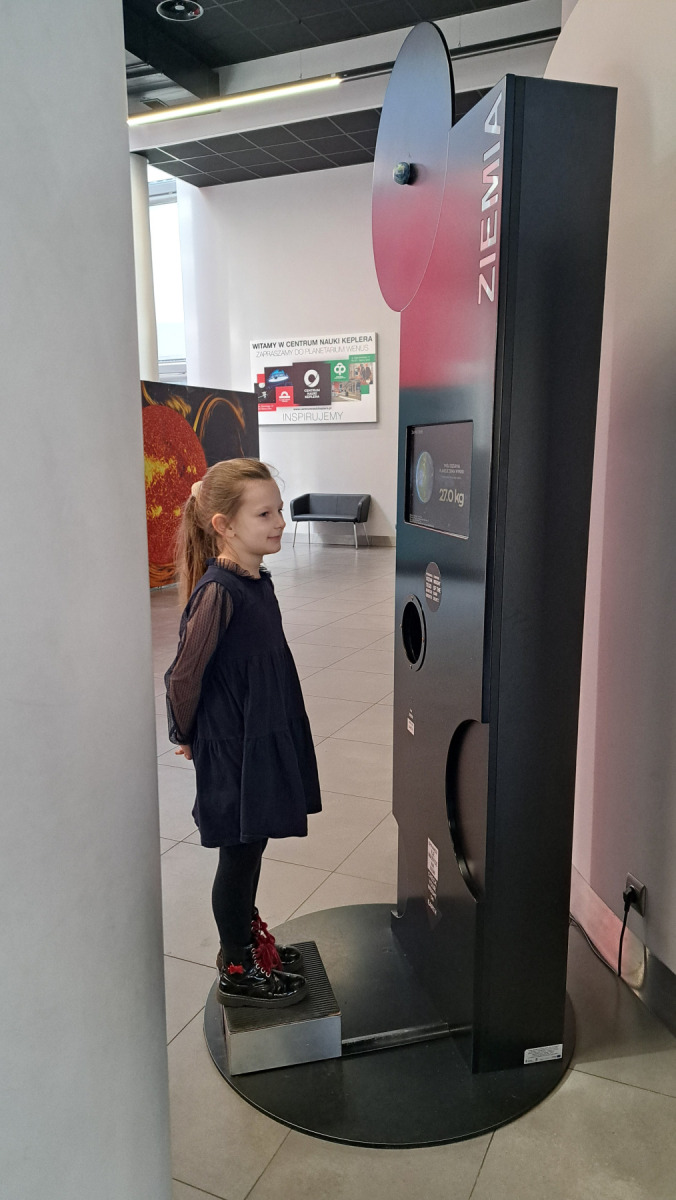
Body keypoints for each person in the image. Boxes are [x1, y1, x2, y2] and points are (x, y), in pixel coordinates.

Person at [164, 458, 322, 1009]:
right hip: (234, 743)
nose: (280, 522)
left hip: (259, 731)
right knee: (238, 852)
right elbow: (184, 674)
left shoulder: (255, 580)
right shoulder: (219, 592)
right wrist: (184, 731)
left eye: (279, 510)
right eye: (264, 514)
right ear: (224, 525)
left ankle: (249, 942)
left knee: (252, 844)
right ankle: (236, 965)